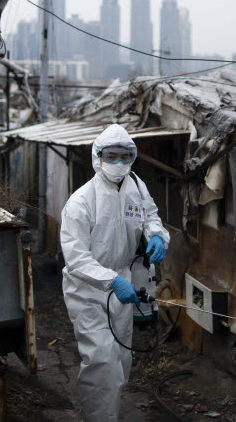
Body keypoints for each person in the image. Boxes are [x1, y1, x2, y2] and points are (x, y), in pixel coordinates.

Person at [60, 123, 169, 422]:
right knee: (101, 363)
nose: (119, 163)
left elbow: (150, 214)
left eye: (125, 155)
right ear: (98, 157)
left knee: (121, 358)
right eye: (112, 156)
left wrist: (157, 235)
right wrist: (111, 280)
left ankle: (108, 414)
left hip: (124, 283)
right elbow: (76, 258)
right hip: (88, 290)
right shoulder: (81, 203)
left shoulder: (135, 185)